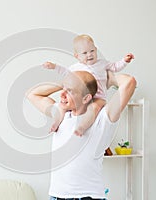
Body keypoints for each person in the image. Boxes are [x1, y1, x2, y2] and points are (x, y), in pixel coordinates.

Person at [26, 70, 136, 199]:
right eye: (64, 89)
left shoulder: (102, 118)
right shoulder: (61, 115)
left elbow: (129, 82)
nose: (62, 94)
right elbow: (32, 94)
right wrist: (64, 83)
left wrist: (106, 78)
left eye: (70, 91)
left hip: (89, 196)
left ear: (86, 98)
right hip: (56, 196)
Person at [43, 34, 134, 136]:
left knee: (94, 109)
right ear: (77, 56)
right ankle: (56, 123)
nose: (89, 55)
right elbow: (65, 72)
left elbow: (115, 67)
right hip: (82, 98)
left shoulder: (102, 63)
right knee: (62, 107)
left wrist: (125, 61)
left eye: (92, 51)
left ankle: (82, 128)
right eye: (85, 53)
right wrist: (54, 66)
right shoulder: (75, 67)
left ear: (96, 50)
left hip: (99, 97)